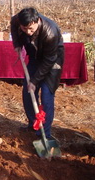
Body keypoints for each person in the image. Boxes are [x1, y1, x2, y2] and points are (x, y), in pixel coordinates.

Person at [10, 7, 65, 140]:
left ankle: (45, 133)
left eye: (31, 29)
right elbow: (13, 24)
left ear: (37, 21)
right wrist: (17, 44)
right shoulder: (17, 20)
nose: (28, 32)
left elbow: (49, 60)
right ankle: (32, 123)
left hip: (52, 61)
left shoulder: (50, 32)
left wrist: (35, 81)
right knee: (28, 91)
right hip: (35, 56)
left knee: (47, 94)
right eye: (24, 29)